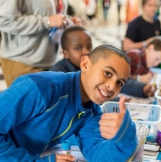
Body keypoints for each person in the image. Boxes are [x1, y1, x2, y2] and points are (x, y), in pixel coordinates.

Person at [0, 44, 137, 161]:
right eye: (107, 73)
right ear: (85, 64)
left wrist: (125, 137)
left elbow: (97, 155)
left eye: (119, 83)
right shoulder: (40, 88)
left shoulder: (91, 112)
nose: (112, 87)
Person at [50, 26, 156, 98]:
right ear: (65, 53)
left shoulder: (95, 65)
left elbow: (115, 81)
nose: (86, 52)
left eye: (89, 47)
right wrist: (113, 100)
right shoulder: (58, 75)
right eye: (78, 48)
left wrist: (141, 88)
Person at [0, 0, 81, 87]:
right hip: (22, 62)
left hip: (50, 62)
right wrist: (47, 21)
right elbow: (4, 20)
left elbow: (47, 12)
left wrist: (66, 20)